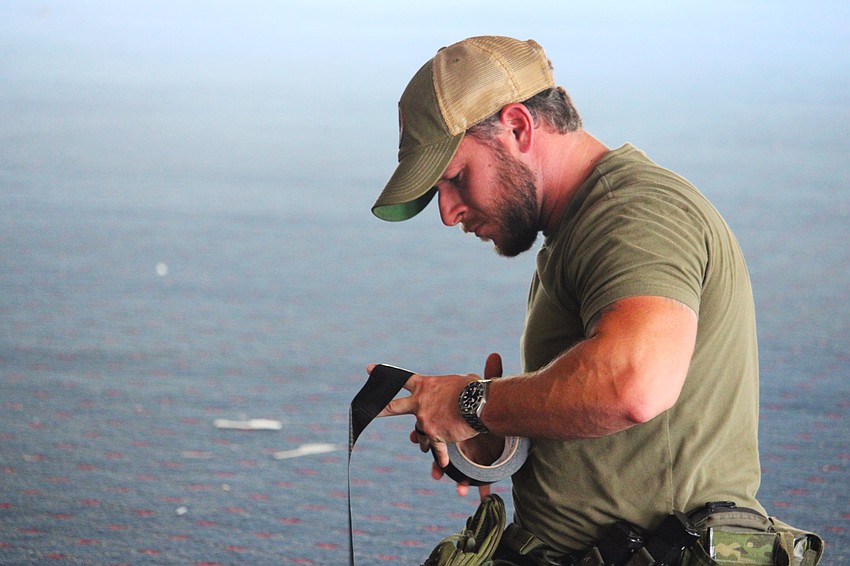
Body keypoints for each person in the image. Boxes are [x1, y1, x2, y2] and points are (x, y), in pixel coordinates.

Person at [368, 36, 773, 563]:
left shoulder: (635, 216)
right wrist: (492, 431)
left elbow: (632, 386)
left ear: (517, 127)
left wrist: (475, 403)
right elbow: (605, 421)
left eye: (457, 179)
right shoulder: (579, 229)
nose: (447, 213)